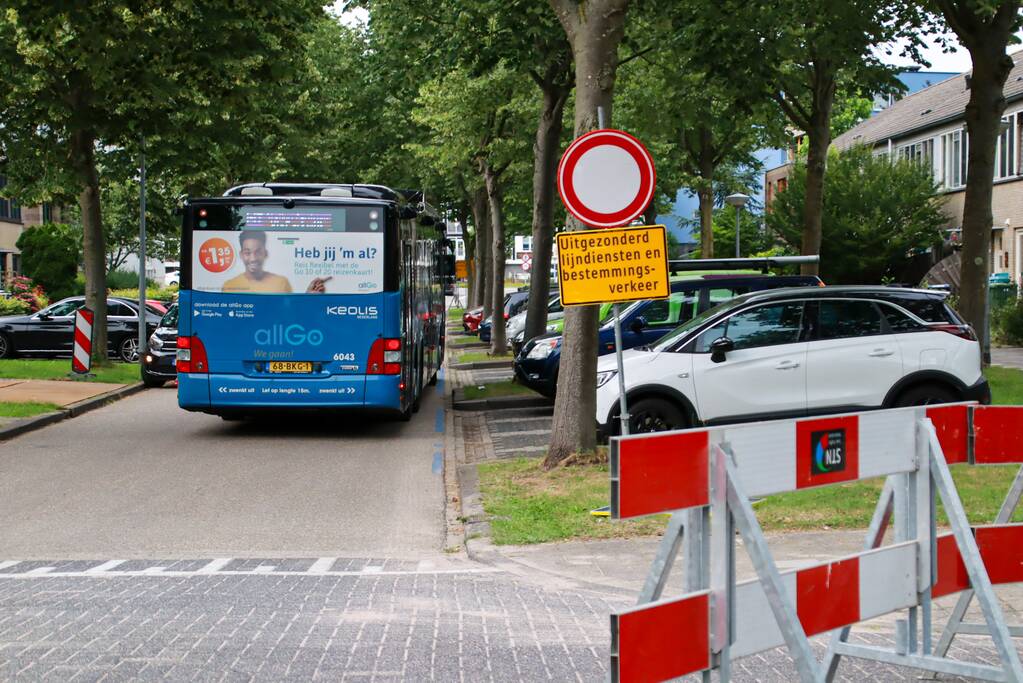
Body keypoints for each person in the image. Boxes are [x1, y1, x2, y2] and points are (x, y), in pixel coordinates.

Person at [221, 230, 329, 293]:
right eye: (247, 252)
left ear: (265, 253)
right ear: (241, 255)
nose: (253, 258)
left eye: (258, 252)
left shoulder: (281, 282)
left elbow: (292, 313)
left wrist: (307, 296)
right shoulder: (229, 286)